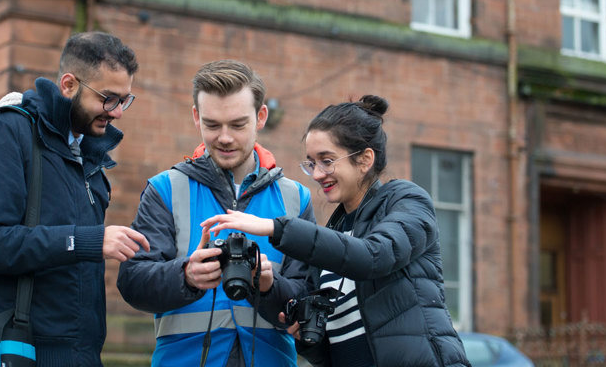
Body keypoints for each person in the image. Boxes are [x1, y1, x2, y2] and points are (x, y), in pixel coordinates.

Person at [202, 95, 471, 367]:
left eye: (327, 161)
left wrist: (275, 226)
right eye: (311, 163)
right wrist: (264, 285)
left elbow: (372, 256)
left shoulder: (407, 201)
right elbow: (321, 339)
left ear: (365, 159)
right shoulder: (334, 233)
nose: (317, 174)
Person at [0, 31, 150, 367]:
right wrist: (89, 241)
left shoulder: (89, 156)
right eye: (108, 98)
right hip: (18, 354)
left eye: (124, 100)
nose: (117, 112)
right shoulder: (9, 132)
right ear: (68, 85)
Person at [117, 60, 315, 367]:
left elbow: (307, 296)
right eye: (212, 125)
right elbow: (131, 283)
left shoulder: (296, 198)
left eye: (237, 125)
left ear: (261, 117)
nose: (224, 137)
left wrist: (269, 286)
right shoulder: (165, 189)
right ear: (196, 117)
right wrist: (185, 275)